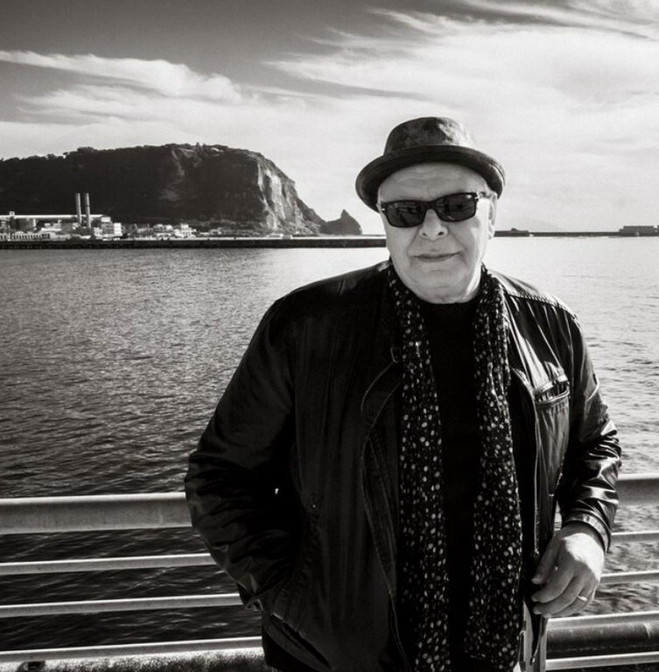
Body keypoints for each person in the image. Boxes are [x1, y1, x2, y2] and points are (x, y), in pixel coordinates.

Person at [184, 116, 622, 672]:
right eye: (406, 212)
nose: (432, 229)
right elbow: (219, 476)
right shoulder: (305, 327)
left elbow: (595, 443)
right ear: (385, 224)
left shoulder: (551, 326)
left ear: (492, 214)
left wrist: (587, 527)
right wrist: (295, 601)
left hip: (503, 650)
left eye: (457, 206)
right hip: (338, 660)